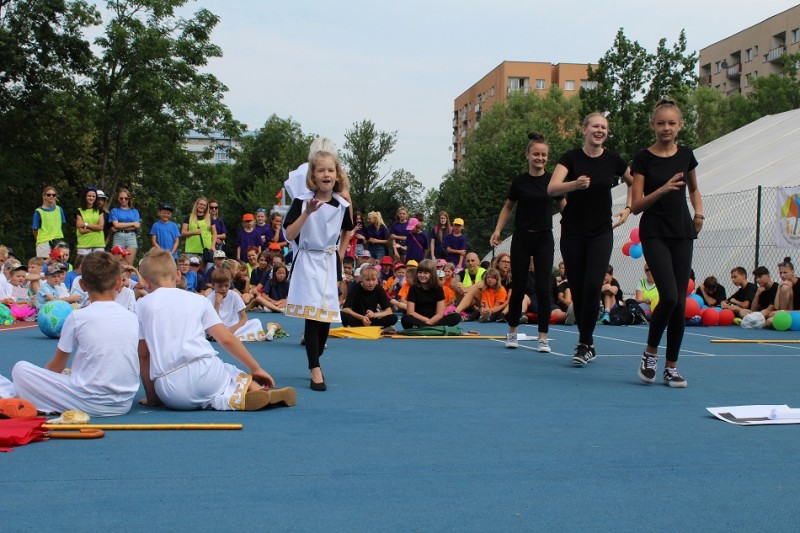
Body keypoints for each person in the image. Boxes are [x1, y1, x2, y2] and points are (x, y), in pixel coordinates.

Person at [136, 248, 295, 411]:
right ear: (178, 275)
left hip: (170, 388)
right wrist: (255, 368)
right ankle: (254, 389)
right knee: (229, 372)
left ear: (146, 283)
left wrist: (152, 398)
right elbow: (226, 339)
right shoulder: (198, 300)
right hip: (205, 373)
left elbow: (144, 356)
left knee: (208, 396)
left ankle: (228, 399)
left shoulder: (141, 305)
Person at [548, 112, 633, 366]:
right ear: (584, 129)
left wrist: (629, 208)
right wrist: (574, 184)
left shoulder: (612, 159)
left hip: (600, 232)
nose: (599, 130)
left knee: (594, 285)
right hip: (573, 232)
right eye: (595, 126)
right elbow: (552, 188)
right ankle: (588, 342)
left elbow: (634, 181)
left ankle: (584, 344)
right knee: (579, 289)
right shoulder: (571, 158)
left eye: (603, 127)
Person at [630, 99, 703, 388]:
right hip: (654, 232)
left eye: (671, 123)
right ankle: (650, 353)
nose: (666, 128)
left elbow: (695, 189)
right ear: (653, 125)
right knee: (669, 297)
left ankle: (671, 367)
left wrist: (699, 214)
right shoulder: (642, 159)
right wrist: (662, 189)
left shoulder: (686, 155)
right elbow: (636, 206)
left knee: (680, 302)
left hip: (682, 231)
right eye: (661, 123)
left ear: (680, 126)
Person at [13, 251, 140, 416]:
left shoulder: (77, 317)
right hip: (124, 403)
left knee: (20, 369)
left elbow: (55, 367)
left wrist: (44, 379)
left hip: (88, 401)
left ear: (82, 285)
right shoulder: (132, 317)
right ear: (118, 283)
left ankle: (45, 402)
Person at [284, 138, 354, 392]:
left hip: (329, 261)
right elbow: (289, 234)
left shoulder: (342, 205)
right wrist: (308, 213)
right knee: (312, 316)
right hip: (307, 261)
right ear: (313, 175)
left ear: (337, 175)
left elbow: (347, 230)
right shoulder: (301, 202)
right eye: (321, 170)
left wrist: (340, 259)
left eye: (330, 170)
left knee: (325, 319)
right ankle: (315, 368)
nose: (326, 174)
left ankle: (316, 357)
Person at [490, 132, 564, 351]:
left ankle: (543, 337)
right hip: (522, 236)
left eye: (544, 155)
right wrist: (498, 230)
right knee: (519, 285)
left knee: (543, 287)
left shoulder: (552, 181)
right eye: (536, 154)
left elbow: (563, 204)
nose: (540, 158)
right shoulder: (520, 181)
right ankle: (512, 332)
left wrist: (573, 225)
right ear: (528, 155)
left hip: (544, 237)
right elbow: (508, 206)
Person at [401, 259, 462, 329]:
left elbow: (439, 314)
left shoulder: (438, 289)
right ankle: (432, 328)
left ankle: (424, 328)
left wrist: (429, 323)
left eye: (426, 273)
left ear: (432, 274)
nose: (422, 275)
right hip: (419, 319)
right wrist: (426, 320)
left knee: (456, 317)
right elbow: (410, 312)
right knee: (406, 319)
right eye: (420, 272)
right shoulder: (413, 288)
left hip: (434, 320)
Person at [207, 269, 263, 342]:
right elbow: (212, 321)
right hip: (217, 328)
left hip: (234, 327)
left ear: (230, 284)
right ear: (213, 285)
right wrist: (217, 303)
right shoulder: (209, 299)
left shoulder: (234, 295)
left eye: (226, 285)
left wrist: (233, 329)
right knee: (210, 331)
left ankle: (224, 336)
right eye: (220, 286)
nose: (224, 289)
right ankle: (225, 336)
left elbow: (244, 318)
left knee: (256, 322)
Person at [341, 265, 398, 332]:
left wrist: (374, 315)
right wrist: (362, 317)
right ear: (362, 279)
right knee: (342, 315)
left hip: (372, 320)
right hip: (358, 319)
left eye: (373, 280)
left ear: (377, 279)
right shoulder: (355, 288)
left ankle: (358, 328)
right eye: (367, 280)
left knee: (393, 317)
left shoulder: (379, 289)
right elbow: (345, 309)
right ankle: (379, 329)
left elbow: (389, 311)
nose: (371, 283)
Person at [32, 186, 66, 258]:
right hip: (44, 242)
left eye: (53, 195)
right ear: (44, 196)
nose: (51, 196)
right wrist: (40, 239)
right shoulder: (38, 211)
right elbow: (35, 229)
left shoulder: (59, 209)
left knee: (59, 263)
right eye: (49, 195)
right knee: (44, 263)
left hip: (58, 240)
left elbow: (61, 225)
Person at [109, 188, 140, 265]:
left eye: (126, 198)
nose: (123, 200)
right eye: (121, 198)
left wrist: (119, 226)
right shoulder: (114, 211)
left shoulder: (134, 211)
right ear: (118, 199)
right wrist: (132, 223)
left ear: (129, 199)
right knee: (117, 264)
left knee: (129, 264)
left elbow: (136, 226)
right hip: (118, 237)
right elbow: (116, 225)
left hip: (131, 237)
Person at [76, 186, 106, 256]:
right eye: (89, 196)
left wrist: (85, 225)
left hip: (98, 244)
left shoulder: (99, 210)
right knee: (83, 263)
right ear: (85, 197)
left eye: (93, 196)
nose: (91, 198)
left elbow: (101, 227)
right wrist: (96, 228)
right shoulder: (79, 211)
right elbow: (81, 230)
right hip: (84, 244)